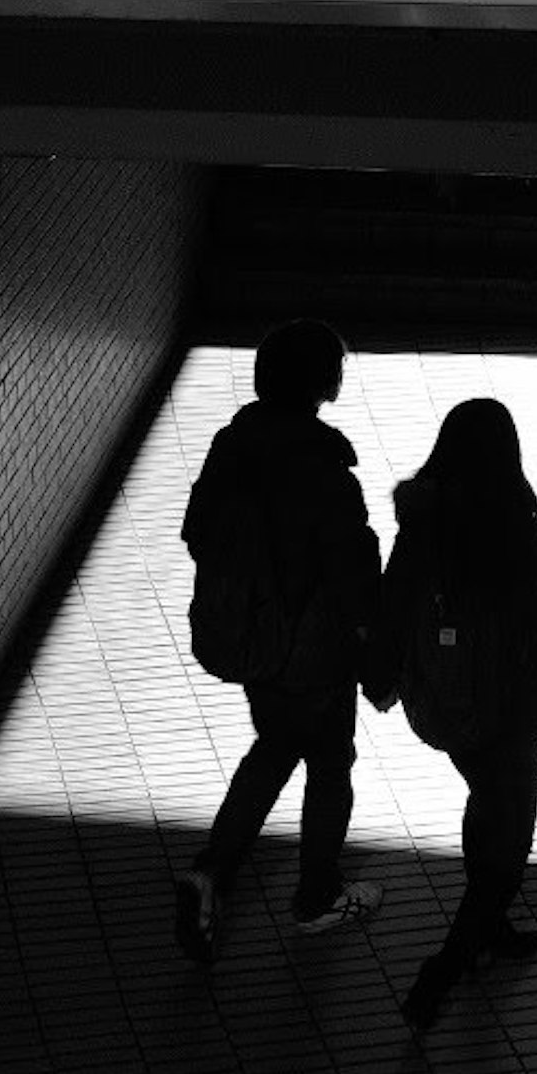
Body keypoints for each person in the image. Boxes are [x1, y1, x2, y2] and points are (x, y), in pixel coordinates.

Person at [366, 395, 537, 1026]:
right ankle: (448, 964)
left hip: (447, 710)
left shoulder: (422, 528)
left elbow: (393, 609)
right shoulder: (521, 534)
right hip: (511, 713)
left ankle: (491, 930)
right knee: (509, 849)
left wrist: (382, 683)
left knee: (486, 804)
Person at [174, 321, 382, 956]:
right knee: (329, 765)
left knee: (272, 748)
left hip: (252, 643)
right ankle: (317, 897)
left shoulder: (233, 443)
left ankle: (212, 871)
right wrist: (374, 647)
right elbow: (354, 576)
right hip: (314, 655)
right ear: (322, 383)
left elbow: (196, 531)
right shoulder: (324, 470)